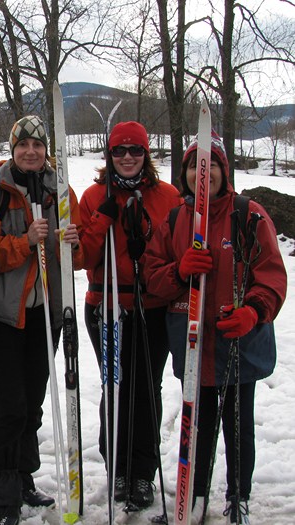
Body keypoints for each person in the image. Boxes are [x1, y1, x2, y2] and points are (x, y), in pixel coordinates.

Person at [143, 132, 286, 524]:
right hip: (193, 344)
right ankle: (196, 495)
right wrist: (180, 271)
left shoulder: (248, 214)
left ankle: (238, 496)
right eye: (194, 166)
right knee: (197, 425)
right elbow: (153, 275)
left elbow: (271, 274)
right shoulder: (176, 219)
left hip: (237, 342)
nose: (201, 174)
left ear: (224, 170)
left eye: (210, 166)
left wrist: (254, 311)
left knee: (238, 426)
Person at [0, 115, 83, 525]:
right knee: (9, 405)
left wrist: (73, 244)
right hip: (2, 314)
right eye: (23, 145)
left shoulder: (59, 190)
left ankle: (23, 478)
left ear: (46, 151)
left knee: (33, 401)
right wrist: (25, 242)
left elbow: (78, 256)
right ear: (12, 149)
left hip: (45, 312)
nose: (30, 152)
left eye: (37, 145)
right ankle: (4, 497)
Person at [77, 121, 182, 509]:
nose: (126, 157)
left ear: (145, 154)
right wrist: (102, 219)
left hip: (152, 306)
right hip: (106, 306)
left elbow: (177, 247)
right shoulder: (94, 196)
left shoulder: (167, 196)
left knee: (147, 388)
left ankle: (142, 472)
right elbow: (81, 257)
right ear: (109, 155)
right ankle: (117, 467)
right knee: (116, 385)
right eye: (118, 151)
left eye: (135, 150)